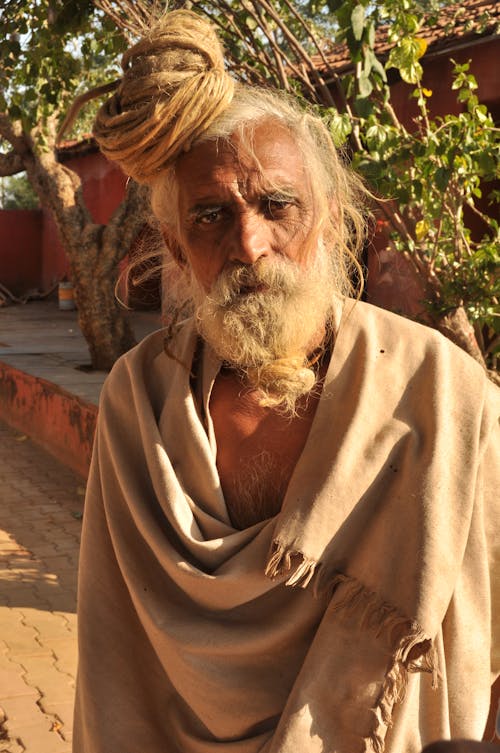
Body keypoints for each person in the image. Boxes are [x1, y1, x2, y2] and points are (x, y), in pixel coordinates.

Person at [72, 10, 499, 753]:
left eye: (277, 205)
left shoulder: (442, 392)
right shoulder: (137, 405)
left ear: (330, 221)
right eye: (211, 215)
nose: (249, 242)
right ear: (174, 245)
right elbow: (113, 660)